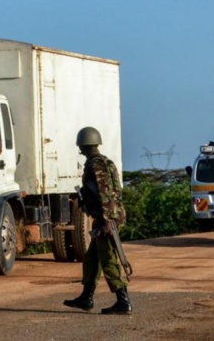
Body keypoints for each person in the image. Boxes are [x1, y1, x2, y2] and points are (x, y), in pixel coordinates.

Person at [64, 126, 132, 315]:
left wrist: (106, 221)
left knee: (108, 258)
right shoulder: (106, 162)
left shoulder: (96, 165)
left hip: (106, 220)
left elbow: (105, 194)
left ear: (82, 146)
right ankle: (86, 297)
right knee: (92, 258)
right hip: (107, 218)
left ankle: (123, 301)